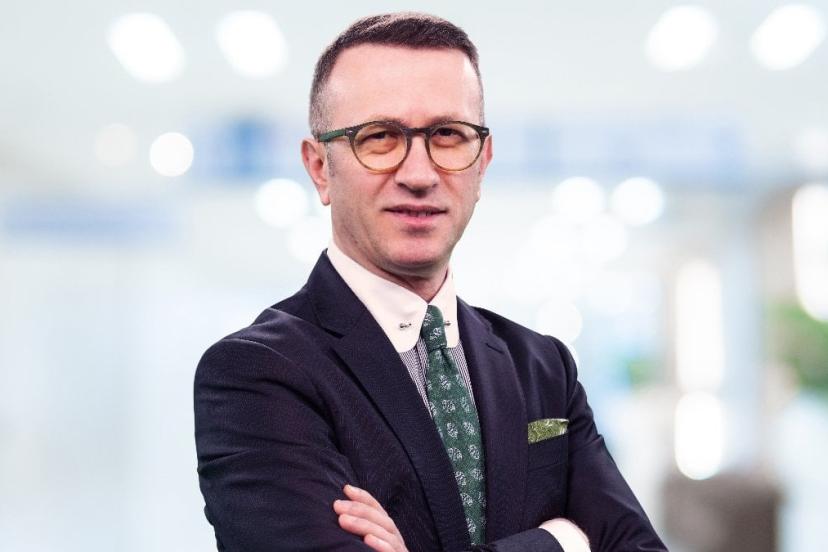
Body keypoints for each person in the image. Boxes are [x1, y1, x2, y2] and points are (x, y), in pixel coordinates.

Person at [194, 12, 667, 552]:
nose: (418, 175)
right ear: (320, 167)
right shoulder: (257, 373)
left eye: (448, 135)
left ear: (482, 162)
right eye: (379, 137)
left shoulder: (543, 368)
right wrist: (563, 541)